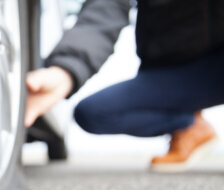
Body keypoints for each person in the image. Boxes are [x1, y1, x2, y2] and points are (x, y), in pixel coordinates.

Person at [26, 0, 224, 171]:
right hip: (170, 73)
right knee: (92, 113)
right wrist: (66, 70)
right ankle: (190, 126)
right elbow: (105, 10)